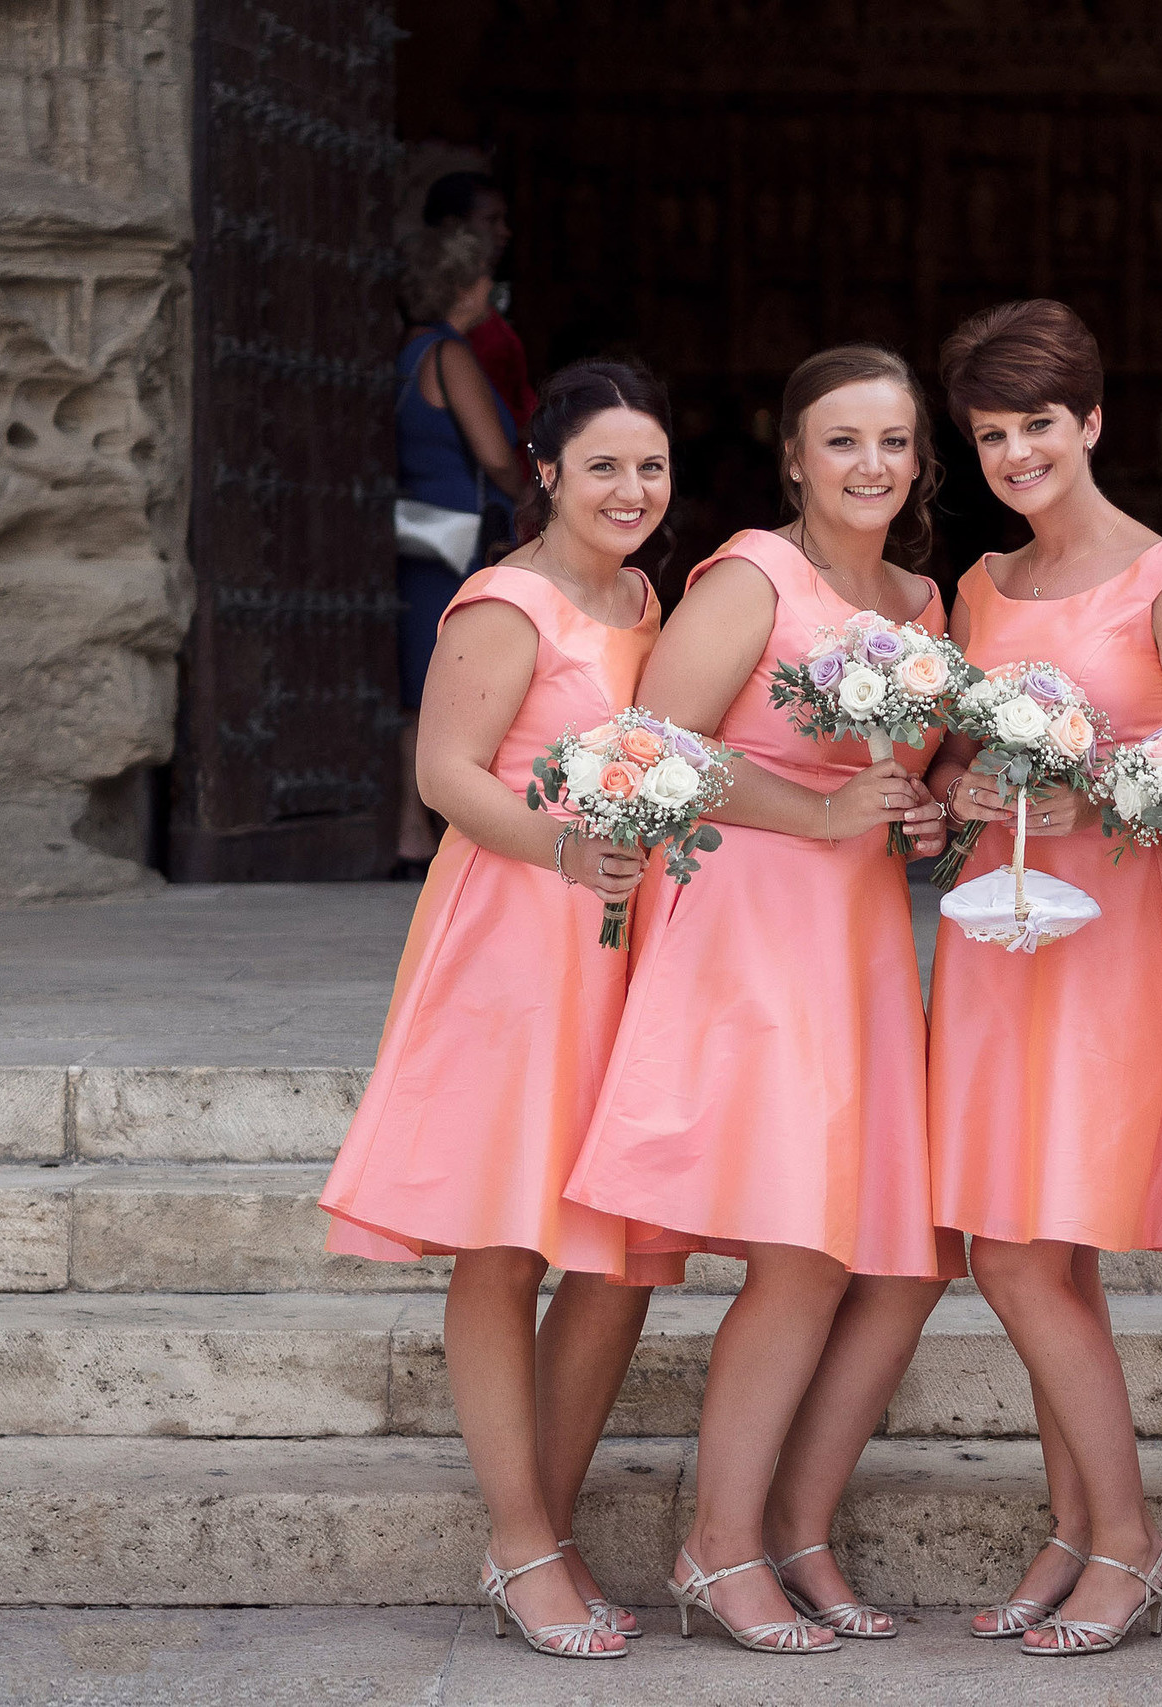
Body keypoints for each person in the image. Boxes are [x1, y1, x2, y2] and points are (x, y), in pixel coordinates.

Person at [562, 347, 956, 1655]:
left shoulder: (923, 599)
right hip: (749, 928)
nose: (870, 466)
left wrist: (926, 810)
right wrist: (822, 805)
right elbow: (653, 746)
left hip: (856, 940)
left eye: (892, 441)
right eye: (842, 441)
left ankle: (795, 1532)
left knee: (877, 1249)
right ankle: (719, 1545)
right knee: (798, 1246)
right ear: (793, 456)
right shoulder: (749, 575)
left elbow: (898, 780)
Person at [317, 360, 677, 1660]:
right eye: (603, 467)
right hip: (519, 937)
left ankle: (545, 1521)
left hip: (629, 935)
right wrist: (566, 849)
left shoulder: (649, 600)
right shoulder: (506, 601)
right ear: (545, 471)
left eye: (650, 465)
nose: (630, 489)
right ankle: (525, 1541)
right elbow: (445, 773)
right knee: (505, 1236)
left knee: (619, 1245)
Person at [923, 299, 1162, 1656]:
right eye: (991, 433)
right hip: (999, 942)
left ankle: (1128, 1537)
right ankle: (1073, 1526)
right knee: (1033, 1241)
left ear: (1093, 421)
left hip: (1116, 943)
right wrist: (963, 782)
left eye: (1037, 426)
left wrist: (1094, 797)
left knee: (1017, 1245)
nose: (1014, 454)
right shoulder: (980, 587)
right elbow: (942, 766)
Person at [394, 225, 528, 879]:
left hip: (421, 535)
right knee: (450, 682)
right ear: (464, 286)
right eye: (483, 281)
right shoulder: (451, 355)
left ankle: (411, 828)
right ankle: (432, 828)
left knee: (418, 685)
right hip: (459, 542)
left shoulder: (404, 351)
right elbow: (497, 457)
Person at [423, 169, 542, 458]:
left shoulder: (481, 308)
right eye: (491, 220)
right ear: (455, 227)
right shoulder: (450, 321)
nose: (504, 231)